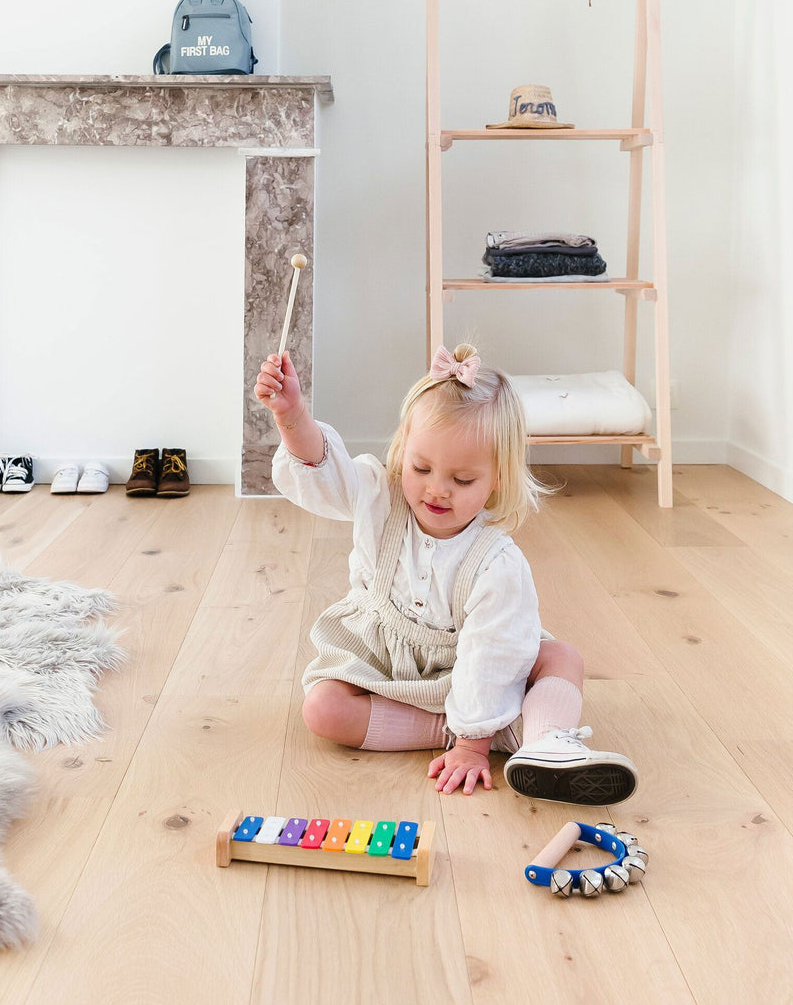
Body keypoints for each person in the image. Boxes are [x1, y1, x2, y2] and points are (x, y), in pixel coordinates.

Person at [253, 341, 637, 802]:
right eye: (421, 467)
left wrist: (472, 749)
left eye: (462, 480)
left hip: (474, 664)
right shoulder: (379, 493)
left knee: (562, 657)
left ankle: (547, 744)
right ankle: (496, 733)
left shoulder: (497, 563)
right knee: (321, 709)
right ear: (403, 451)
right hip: (386, 660)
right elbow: (326, 476)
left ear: (499, 479)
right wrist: (292, 416)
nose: (436, 490)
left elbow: (493, 654)